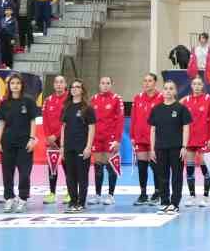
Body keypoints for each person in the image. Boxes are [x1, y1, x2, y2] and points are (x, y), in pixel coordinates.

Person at [0, 75, 38, 213]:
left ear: (22, 85)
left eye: (18, 83)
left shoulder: (29, 101)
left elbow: (32, 121)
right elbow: (1, 123)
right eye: (12, 83)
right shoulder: (4, 102)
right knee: (7, 172)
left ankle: (23, 198)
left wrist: (32, 139)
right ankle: (9, 198)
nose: (15, 85)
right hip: (7, 142)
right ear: (8, 85)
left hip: (24, 143)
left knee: (24, 173)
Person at [148, 80, 191, 213]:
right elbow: (153, 130)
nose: (168, 91)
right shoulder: (156, 109)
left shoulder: (181, 108)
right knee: (162, 175)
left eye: (171, 88)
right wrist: (152, 148)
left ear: (175, 91)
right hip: (160, 148)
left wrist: (184, 147)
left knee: (177, 176)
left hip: (176, 148)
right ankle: (164, 201)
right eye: (166, 88)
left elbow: (186, 128)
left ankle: (175, 203)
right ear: (163, 91)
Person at [59, 79, 95, 211]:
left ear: (82, 90)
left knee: (82, 176)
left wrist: (88, 147)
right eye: (72, 87)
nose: (74, 89)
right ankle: (73, 201)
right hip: (68, 147)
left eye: (77, 87)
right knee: (70, 175)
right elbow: (63, 127)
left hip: (81, 146)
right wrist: (62, 146)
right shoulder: (66, 107)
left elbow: (92, 128)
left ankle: (81, 202)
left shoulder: (87, 108)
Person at [183, 75, 210, 208]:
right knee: (190, 168)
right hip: (190, 139)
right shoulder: (186, 100)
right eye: (194, 84)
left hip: (204, 139)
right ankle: (192, 196)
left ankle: (205, 196)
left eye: (199, 84)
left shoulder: (209, 99)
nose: (197, 86)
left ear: (202, 86)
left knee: (205, 168)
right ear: (191, 86)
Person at [89, 76, 124, 206]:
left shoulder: (116, 99)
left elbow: (120, 120)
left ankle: (110, 195)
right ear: (99, 85)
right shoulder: (94, 99)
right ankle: (98, 195)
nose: (105, 85)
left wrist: (117, 140)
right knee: (98, 167)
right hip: (97, 138)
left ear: (111, 84)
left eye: (108, 83)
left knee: (110, 167)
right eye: (103, 83)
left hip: (110, 138)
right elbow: (90, 121)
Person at [130, 73, 162, 206]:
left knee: (155, 166)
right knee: (142, 167)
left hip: (156, 138)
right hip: (140, 137)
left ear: (155, 83)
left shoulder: (161, 97)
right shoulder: (137, 98)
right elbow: (133, 118)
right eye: (145, 81)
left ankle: (157, 193)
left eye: (150, 81)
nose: (147, 83)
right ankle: (143, 194)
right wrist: (132, 136)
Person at [40, 74, 68, 205]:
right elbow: (44, 120)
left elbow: (66, 121)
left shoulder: (70, 99)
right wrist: (48, 136)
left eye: (61, 82)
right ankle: (52, 193)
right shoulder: (48, 100)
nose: (59, 84)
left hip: (65, 138)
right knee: (52, 166)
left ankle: (70, 192)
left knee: (68, 166)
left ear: (65, 84)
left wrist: (56, 135)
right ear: (53, 85)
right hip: (51, 140)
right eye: (57, 82)